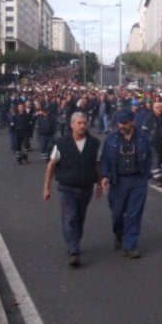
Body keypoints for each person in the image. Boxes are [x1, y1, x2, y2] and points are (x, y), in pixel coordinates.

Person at [42, 112, 101, 267]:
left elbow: (96, 165)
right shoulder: (62, 143)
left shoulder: (94, 143)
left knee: (79, 219)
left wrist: (100, 184)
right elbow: (51, 165)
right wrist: (46, 187)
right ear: (72, 124)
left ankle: (74, 240)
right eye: (79, 123)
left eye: (84, 123)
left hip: (86, 187)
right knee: (70, 218)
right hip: (66, 188)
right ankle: (73, 250)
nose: (82, 126)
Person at [100, 108, 152, 258]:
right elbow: (104, 159)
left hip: (137, 181)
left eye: (124, 123)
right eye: (119, 123)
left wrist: (146, 174)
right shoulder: (111, 139)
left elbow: (149, 156)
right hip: (118, 181)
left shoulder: (142, 138)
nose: (121, 126)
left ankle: (131, 245)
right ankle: (119, 234)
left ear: (132, 122)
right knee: (117, 214)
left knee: (134, 214)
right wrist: (104, 176)